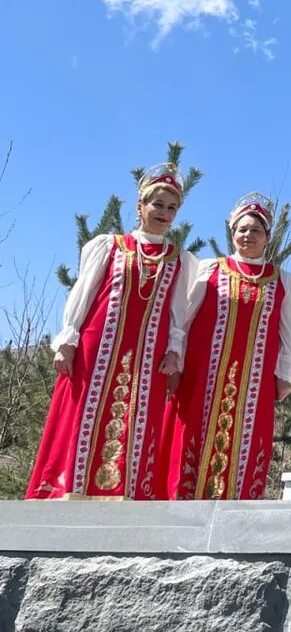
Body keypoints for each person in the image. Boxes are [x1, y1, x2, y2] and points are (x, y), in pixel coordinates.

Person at [26, 163, 195, 500]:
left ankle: (128, 496)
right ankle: (69, 493)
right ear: (140, 207)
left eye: (171, 207)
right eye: (157, 205)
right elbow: (84, 292)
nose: (164, 213)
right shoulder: (109, 246)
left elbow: (180, 315)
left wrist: (175, 350)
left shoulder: (180, 260)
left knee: (139, 422)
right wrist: (68, 339)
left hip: (148, 356)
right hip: (97, 348)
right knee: (82, 415)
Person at [167, 193, 291, 500]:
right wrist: (177, 358)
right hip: (203, 378)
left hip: (254, 384)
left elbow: (287, 332)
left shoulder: (283, 282)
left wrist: (284, 373)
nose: (248, 235)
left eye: (255, 230)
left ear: (267, 237)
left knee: (247, 440)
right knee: (192, 438)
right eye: (242, 229)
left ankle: (238, 510)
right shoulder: (210, 269)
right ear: (232, 234)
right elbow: (185, 318)